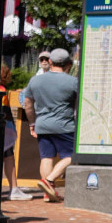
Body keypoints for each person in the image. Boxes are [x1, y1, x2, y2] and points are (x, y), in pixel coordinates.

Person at [24, 48, 77, 203]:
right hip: (64, 125)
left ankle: (48, 192)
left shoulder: (35, 80)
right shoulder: (73, 82)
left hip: (42, 124)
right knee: (72, 155)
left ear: (51, 62)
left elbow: (28, 103)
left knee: (46, 157)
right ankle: (50, 180)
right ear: (68, 64)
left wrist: (32, 123)